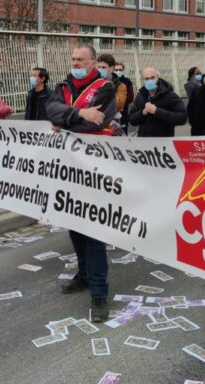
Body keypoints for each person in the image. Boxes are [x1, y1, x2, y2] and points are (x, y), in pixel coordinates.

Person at [47, 44, 117, 323]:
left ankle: (99, 292)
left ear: (93, 62)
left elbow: (97, 123)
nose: (75, 63)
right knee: (75, 225)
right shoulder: (63, 85)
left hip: (96, 169)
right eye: (73, 58)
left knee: (94, 231)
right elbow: (51, 110)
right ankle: (84, 274)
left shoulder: (105, 88)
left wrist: (66, 121)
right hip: (69, 168)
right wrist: (80, 114)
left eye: (81, 59)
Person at [128, 67, 187, 137]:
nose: (150, 81)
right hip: (144, 141)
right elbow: (132, 120)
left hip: (163, 140)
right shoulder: (140, 96)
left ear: (158, 77)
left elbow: (182, 117)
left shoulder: (170, 95)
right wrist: (142, 113)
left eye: (152, 78)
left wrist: (156, 111)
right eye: (147, 79)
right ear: (142, 80)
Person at [97, 53, 128, 120]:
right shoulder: (93, 83)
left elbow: (118, 105)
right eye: (99, 67)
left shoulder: (120, 86)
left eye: (103, 67)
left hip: (111, 122)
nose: (100, 70)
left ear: (111, 68)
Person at [114, 62, 135, 133]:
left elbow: (130, 97)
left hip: (123, 111)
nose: (118, 71)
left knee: (123, 130)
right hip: (111, 111)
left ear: (123, 70)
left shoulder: (127, 81)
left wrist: (121, 104)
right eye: (116, 70)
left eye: (120, 70)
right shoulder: (110, 80)